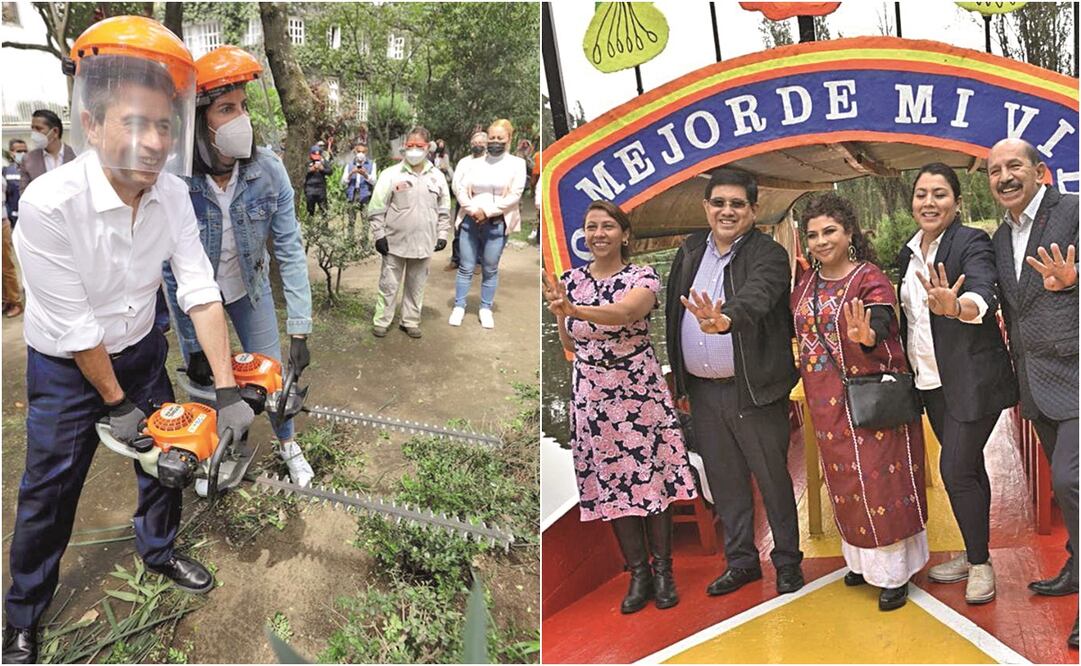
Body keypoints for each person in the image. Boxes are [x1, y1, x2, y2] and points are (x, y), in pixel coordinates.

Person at [2, 17, 255, 663]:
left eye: (162, 126)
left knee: (168, 455)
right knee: (50, 488)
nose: (149, 142)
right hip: (66, 367)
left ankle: (160, 550)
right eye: (133, 123)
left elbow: (199, 289)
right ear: (93, 124)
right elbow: (76, 324)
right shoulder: (48, 203)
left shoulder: (172, 195)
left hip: (141, 349)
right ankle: (24, 612)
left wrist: (226, 391)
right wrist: (115, 405)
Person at [162, 45, 315, 491]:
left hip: (249, 288)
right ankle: (219, 453)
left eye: (244, 107)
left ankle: (288, 446)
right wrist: (188, 340)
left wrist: (300, 330)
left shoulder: (268, 172)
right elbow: (165, 265)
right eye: (227, 108)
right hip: (196, 299)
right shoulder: (176, 181)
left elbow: (288, 247)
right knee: (208, 381)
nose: (241, 119)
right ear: (199, 119)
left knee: (269, 376)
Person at [544, 200, 697, 613]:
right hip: (593, 396)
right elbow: (569, 342)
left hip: (637, 391)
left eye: (608, 226)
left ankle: (664, 570)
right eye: (591, 227)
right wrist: (564, 312)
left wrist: (575, 309)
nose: (598, 234)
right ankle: (638, 573)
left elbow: (628, 312)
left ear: (624, 234)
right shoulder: (570, 280)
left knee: (652, 479)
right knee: (613, 485)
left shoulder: (641, 276)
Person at [788, 192, 929, 610]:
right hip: (825, 402)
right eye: (812, 235)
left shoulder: (869, 278)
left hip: (871, 399)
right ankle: (863, 562)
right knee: (846, 482)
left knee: (882, 481)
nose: (821, 241)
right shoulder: (805, 284)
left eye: (829, 231)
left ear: (848, 233)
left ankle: (895, 573)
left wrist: (868, 337)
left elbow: (882, 320)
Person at [668, 168, 805, 597]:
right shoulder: (690, 250)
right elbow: (673, 314)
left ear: (752, 209)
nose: (727, 211)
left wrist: (725, 319)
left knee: (772, 479)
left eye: (737, 204)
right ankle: (741, 562)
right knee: (726, 482)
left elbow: (759, 296)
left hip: (755, 388)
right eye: (719, 203)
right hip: (704, 392)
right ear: (706, 207)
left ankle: (787, 563)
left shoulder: (767, 254)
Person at [897, 163, 1018, 604]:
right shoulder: (910, 254)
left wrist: (958, 306)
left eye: (940, 194)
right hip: (931, 382)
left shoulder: (971, 242)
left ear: (957, 202)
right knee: (969, 470)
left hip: (974, 380)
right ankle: (973, 551)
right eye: (922, 194)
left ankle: (982, 565)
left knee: (954, 469)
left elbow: (983, 291)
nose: (929, 203)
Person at [987, 138, 1078, 648]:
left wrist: (1075, 278)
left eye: (1014, 165)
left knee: (1071, 481)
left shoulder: (1073, 210)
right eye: (994, 170)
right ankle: (1077, 567)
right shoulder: (1002, 237)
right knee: (1069, 486)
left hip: (1077, 371)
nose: (1004, 177)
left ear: (1039, 171)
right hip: (1036, 385)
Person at [368, 125, 451, 339]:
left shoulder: (437, 177)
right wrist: (379, 235)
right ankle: (382, 321)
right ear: (405, 147)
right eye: (410, 145)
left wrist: (442, 235)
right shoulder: (391, 174)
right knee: (388, 284)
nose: (414, 149)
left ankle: (410, 321)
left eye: (419, 145)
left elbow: (444, 209)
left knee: (417, 286)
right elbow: (377, 208)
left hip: (424, 243)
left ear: (428, 147)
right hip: (394, 242)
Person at [449, 119, 526, 329]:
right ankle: (459, 306)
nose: (495, 141)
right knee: (465, 266)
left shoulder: (517, 164)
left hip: (496, 223)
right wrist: (473, 210)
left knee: (490, 267)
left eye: (500, 138)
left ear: (509, 139)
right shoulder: (474, 163)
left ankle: (485, 308)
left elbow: (516, 194)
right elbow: (462, 189)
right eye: (492, 137)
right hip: (470, 219)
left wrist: (489, 212)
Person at [448, 130, 488, 271]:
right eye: (475, 142)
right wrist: (462, 198)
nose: (477, 145)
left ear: (486, 144)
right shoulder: (464, 162)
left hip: (482, 203)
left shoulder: (490, 162)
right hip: (463, 201)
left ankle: (478, 262)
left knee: (481, 232)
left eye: (480, 142)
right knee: (459, 230)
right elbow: (456, 182)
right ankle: (456, 259)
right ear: (471, 144)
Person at [19, 109, 77, 191]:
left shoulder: (76, 156)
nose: (34, 134)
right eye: (33, 128)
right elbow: (24, 191)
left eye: (39, 129)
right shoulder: (28, 160)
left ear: (55, 132)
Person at [340, 140, 376, 244]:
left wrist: (365, 175)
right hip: (353, 194)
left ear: (366, 152)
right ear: (355, 151)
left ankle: (365, 241)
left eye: (363, 152)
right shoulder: (350, 164)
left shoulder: (371, 164)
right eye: (358, 151)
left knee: (365, 219)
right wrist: (351, 173)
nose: (360, 154)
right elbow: (343, 182)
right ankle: (350, 241)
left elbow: (374, 181)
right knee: (351, 219)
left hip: (365, 194)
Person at [304, 148, 333, 220]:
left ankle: (324, 228)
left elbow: (330, 171)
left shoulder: (323, 161)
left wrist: (322, 169)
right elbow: (301, 172)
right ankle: (309, 225)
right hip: (310, 190)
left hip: (321, 190)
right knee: (310, 211)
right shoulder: (307, 162)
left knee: (324, 210)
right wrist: (311, 169)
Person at [4, 139, 26, 225]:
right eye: (19, 151)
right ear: (11, 153)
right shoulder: (5, 172)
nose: (23, 154)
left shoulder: (34, 170)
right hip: (12, 219)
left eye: (25, 151)